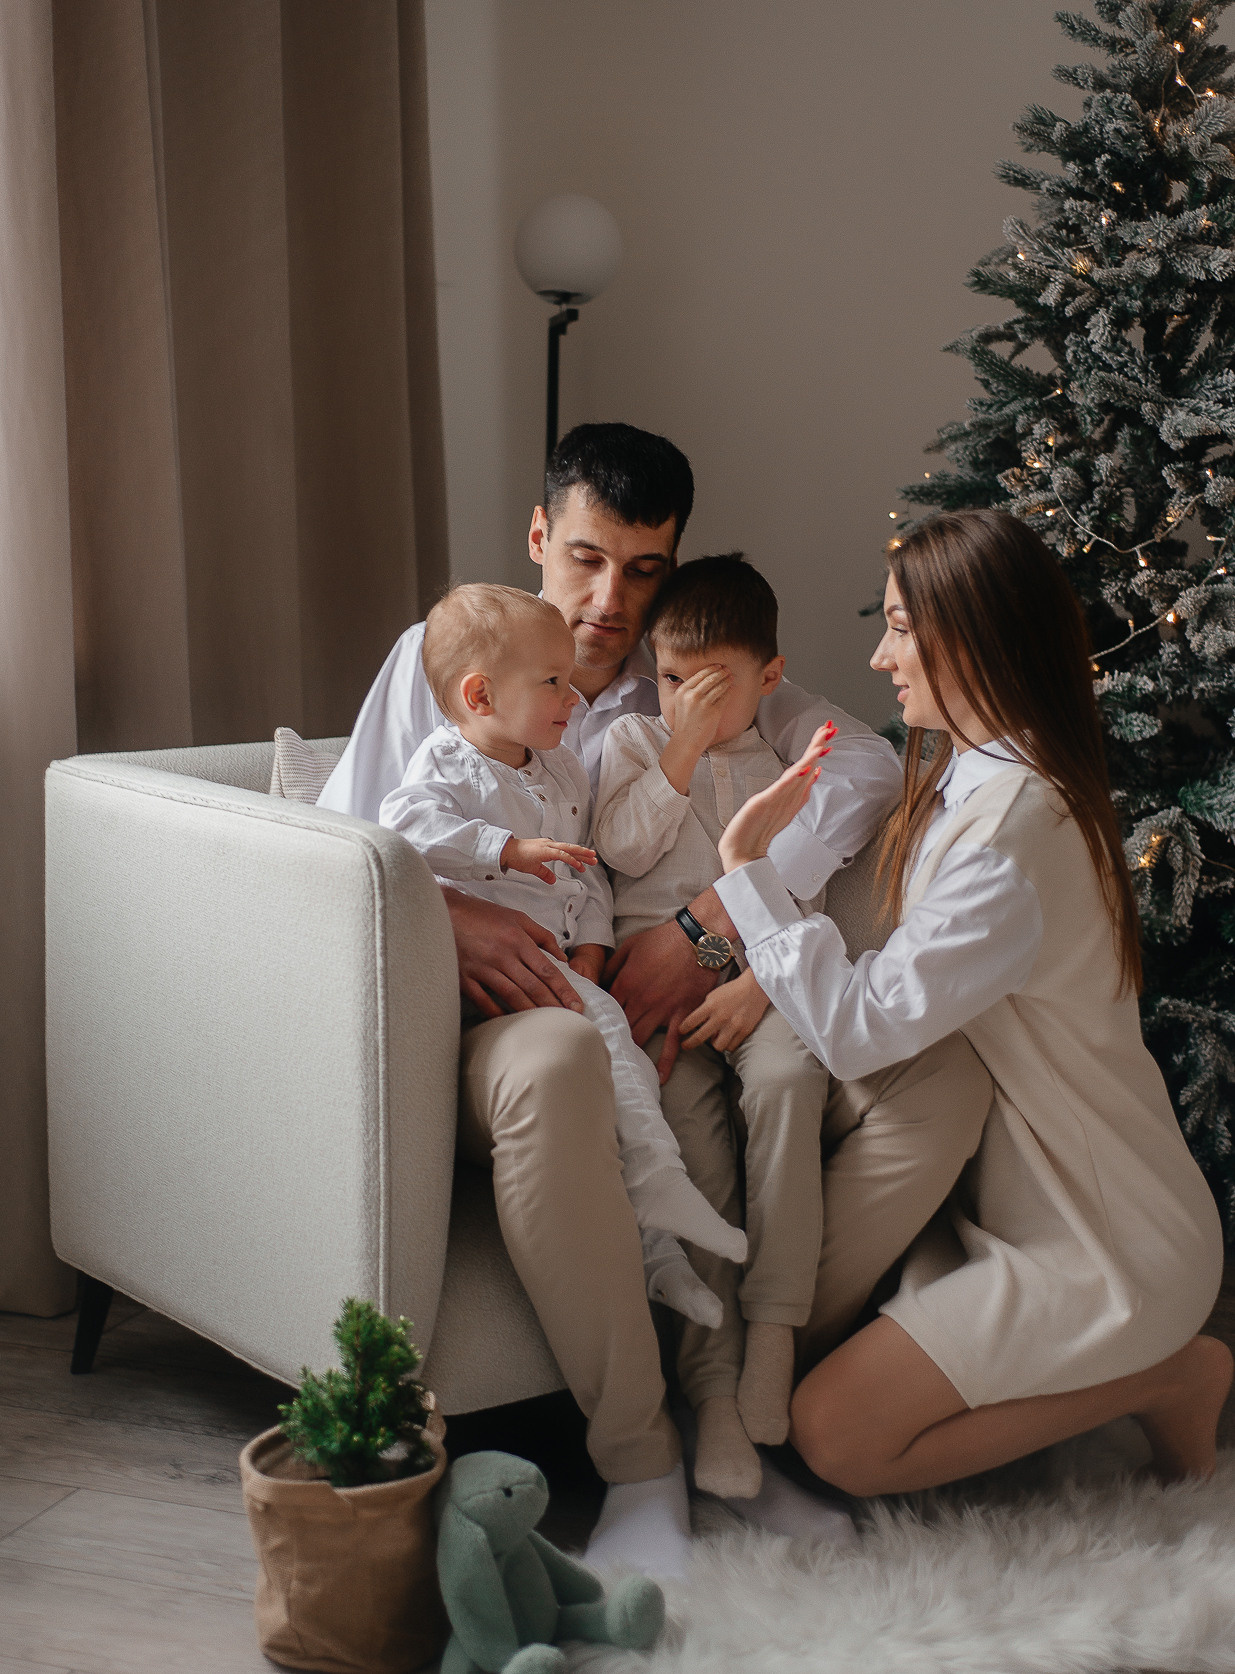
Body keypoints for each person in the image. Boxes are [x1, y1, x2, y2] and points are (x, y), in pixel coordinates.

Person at [318, 423, 983, 1576]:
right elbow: (332, 854)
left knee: (894, 1074)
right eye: (584, 557)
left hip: (628, 996)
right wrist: (453, 917)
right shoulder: (442, 659)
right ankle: (639, 1463)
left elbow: (863, 760)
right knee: (567, 1066)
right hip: (482, 1015)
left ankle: (743, 1406)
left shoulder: (678, 672)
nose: (606, 596)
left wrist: (717, 923)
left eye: (640, 568)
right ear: (538, 536)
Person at [712, 509, 1230, 1496]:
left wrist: (745, 871)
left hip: (1104, 1236)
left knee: (836, 1436)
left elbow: (860, 1031)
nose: (877, 653)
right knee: (833, 1402)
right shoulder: (984, 784)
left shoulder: (1008, 827)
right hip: (1023, 1205)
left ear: (978, 633)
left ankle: (1170, 1371)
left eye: (901, 626)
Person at [378, 582, 747, 1289]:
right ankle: (664, 1186)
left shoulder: (563, 769)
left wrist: (595, 943)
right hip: (485, 977)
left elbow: (587, 876)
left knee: (619, 1073)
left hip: (558, 964)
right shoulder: (443, 764)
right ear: (480, 697)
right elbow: (402, 829)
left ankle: (658, 1256)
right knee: (610, 1037)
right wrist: (504, 850)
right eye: (552, 682)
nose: (573, 699)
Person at [594, 554, 835, 1496]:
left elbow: (797, 899)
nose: (684, 702)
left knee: (789, 1081)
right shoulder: (632, 747)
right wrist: (678, 750)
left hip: (753, 983)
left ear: (768, 677)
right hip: (661, 1004)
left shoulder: (785, 770)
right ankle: (715, 1392)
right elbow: (619, 845)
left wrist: (762, 985)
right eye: (669, 681)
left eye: (711, 688)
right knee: (694, 1150)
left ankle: (774, 1329)